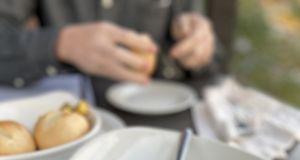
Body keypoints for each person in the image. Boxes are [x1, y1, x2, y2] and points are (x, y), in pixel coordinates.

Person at [0, 0, 219, 99]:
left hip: (164, 113)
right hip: (71, 114)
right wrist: (61, 43)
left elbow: (213, 59)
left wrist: (199, 48)